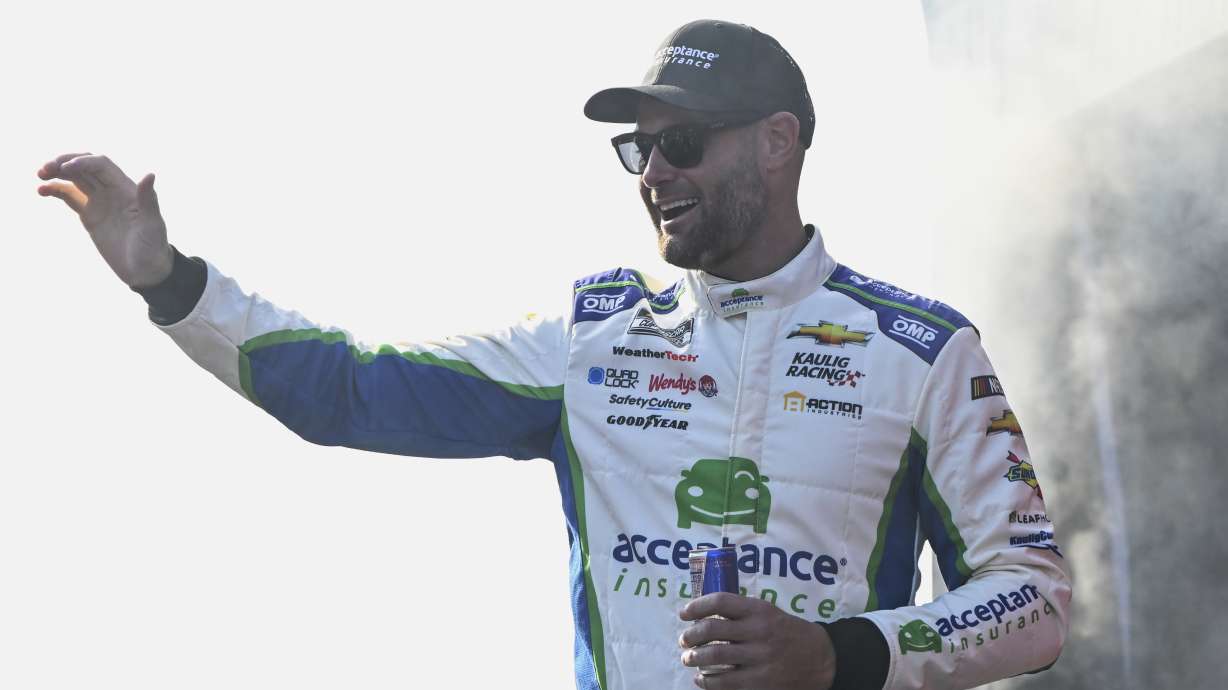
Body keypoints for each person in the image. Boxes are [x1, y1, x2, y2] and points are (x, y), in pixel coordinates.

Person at [37, 18, 1070, 690]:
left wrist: (844, 656)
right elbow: (346, 393)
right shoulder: (590, 343)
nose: (651, 172)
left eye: (681, 144)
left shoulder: (922, 351)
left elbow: (1033, 597)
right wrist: (169, 280)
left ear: (776, 141)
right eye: (636, 149)